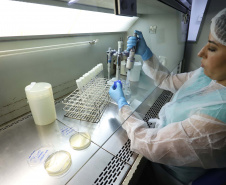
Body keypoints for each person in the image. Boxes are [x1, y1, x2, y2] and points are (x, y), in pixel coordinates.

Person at [109, 8, 226, 185]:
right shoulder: (208, 76)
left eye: (212, 48)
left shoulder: (217, 120)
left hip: (169, 174)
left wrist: (122, 105)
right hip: (164, 145)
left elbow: (149, 144)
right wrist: (147, 54)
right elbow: (168, 80)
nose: (200, 53)